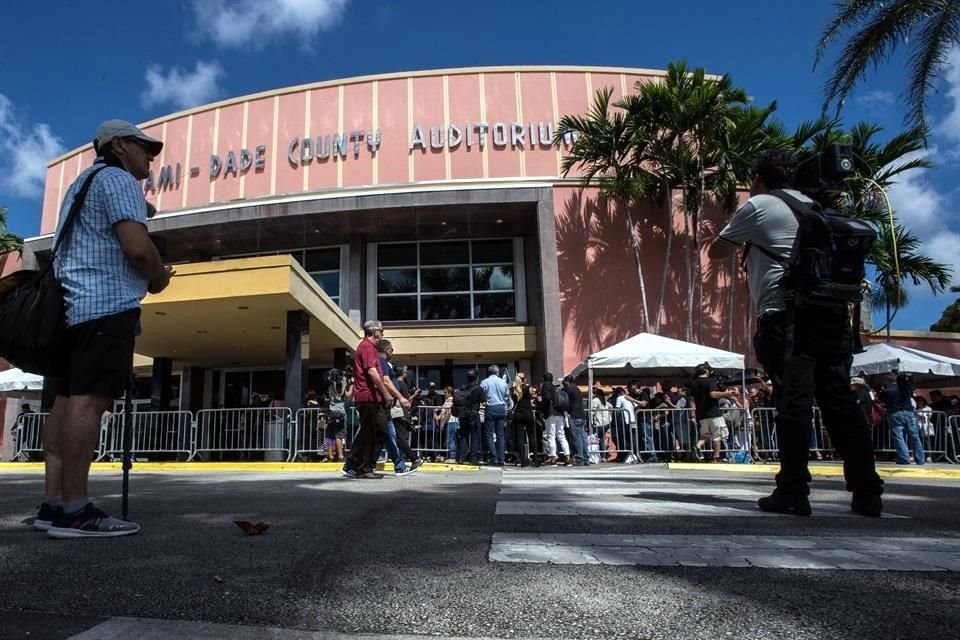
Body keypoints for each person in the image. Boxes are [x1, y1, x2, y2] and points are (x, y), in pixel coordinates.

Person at [708, 149, 883, 516]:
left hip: (787, 317)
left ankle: (792, 490)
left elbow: (717, 252)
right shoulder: (816, 207)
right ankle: (867, 491)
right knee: (840, 402)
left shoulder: (761, 206)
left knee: (794, 402)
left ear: (759, 177)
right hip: (832, 316)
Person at [35, 120, 172, 538]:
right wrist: (159, 277)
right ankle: (77, 510)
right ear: (118, 146)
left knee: (65, 402)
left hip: (70, 307)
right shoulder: (117, 179)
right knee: (89, 402)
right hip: (104, 304)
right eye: (143, 146)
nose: (151, 155)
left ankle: (55, 503)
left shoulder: (81, 184)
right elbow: (136, 246)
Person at [342, 320, 408, 479]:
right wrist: (386, 393)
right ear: (375, 332)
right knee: (371, 432)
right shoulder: (367, 347)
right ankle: (361, 467)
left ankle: (357, 464)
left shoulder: (369, 348)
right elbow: (372, 373)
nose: (383, 332)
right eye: (381, 329)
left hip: (372, 397)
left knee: (379, 430)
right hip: (368, 397)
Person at [691, 363, 737, 462]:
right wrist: (726, 393)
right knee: (718, 435)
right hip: (713, 412)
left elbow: (692, 400)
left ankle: (697, 446)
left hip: (701, 414)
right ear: (706, 371)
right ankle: (716, 457)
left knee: (706, 434)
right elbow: (713, 394)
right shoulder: (710, 381)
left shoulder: (694, 383)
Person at [878, 372, 925, 466]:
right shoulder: (904, 388)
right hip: (908, 412)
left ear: (887, 380)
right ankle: (920, 459)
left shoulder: (886, 391)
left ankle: (904, 458)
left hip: (894, 413)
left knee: (898, 437)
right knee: (914, 436)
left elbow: (882, 402)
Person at [480, 365, 513, 466]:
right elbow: (507, 397)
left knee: (489, 434)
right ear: (497, 372)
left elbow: (481, 394)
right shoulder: (503, 382)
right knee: (500, 435)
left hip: (491, 407)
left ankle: (494, 457)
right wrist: (507, 408)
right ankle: (501, 458)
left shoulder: (484, 382)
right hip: (501, 407)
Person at [539, 373, 571, 466]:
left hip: (550, 413)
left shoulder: (545, 386)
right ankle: (567, 456)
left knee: (551, 436)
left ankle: (553, 457)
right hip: (560, 412)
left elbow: (546, 399)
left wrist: (541, 407)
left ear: (544, 379)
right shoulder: (555, 387)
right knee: (561, 435)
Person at [458, 370, 484, 464]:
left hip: (464, 415)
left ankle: (461, 458)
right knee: (474, 437)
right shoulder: (479, 389)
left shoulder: (463, 388)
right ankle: (473, 458)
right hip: (473, 414)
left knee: (464, 436)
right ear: (477, 377)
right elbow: (484, 402)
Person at [562, 375, 589, 466]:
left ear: (567, 381)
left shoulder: (569, 389)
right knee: (583, 437)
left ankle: (579, 458)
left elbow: (561, 395)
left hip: (574, 415)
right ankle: (586, 458)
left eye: (564, 382)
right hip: (581, 415)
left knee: (576, 438)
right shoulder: (577, 389)